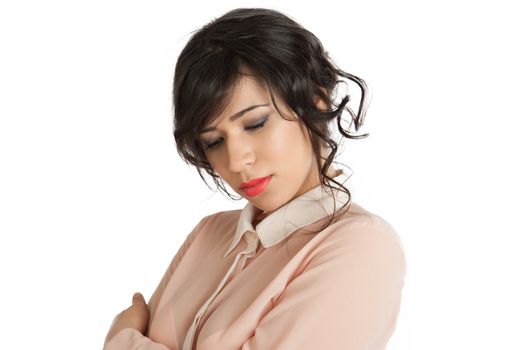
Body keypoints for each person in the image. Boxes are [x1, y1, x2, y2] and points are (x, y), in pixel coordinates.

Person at [103, 7, 406, 350]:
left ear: (316, 101)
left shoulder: (361, 247)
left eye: (255, 123)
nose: (236, 160)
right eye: (214, 141)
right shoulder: (209, 235)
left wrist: (122, 340)